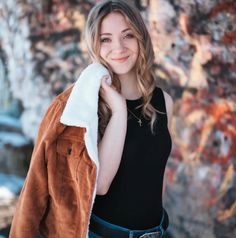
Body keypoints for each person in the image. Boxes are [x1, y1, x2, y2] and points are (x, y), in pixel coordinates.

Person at [10, 0, 173, 237]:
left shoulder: (163, 101)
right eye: (105, 39)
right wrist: (118, 111)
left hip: (155, 231)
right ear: (94, 45)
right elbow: (102, 183)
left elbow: (158, 170)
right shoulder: (84, 105)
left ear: (141, 38)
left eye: (128, 35)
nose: (118, 47)